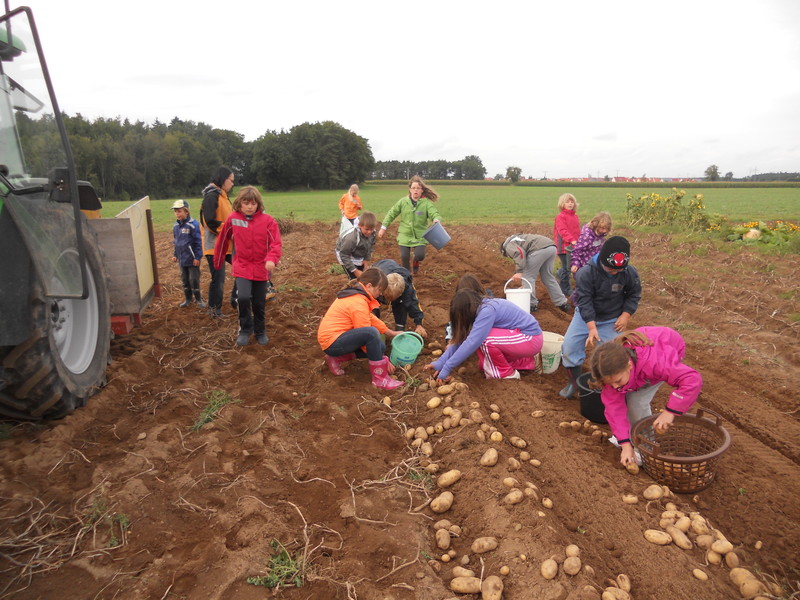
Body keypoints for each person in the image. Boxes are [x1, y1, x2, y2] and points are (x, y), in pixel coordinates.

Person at [588, 327, 702, 466]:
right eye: (610, 384)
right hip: (643, 356)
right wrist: (625, 444)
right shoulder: (610, 374)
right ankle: (628, 437)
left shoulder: (656, 363)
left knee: (636, 402)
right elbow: (614, 410)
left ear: (629, 366)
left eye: (617, 381)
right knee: (623, 397)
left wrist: (669, 412)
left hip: (671, 345)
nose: (615, 386)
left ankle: (645, 448)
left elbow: (691, 380)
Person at [559, 236, 642, 399]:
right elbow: (584, 301)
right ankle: (573, 383)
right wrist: (591, 327)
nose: (614, 272)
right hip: (584, 317)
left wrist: (625, 315)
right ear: (602, 260)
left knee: (613, 356)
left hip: (612, 319)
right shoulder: (586, 273)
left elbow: (634, 295)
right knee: (569, 348)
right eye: (610, 269)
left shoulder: (629, 273)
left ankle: (612, 389)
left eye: (618, 270)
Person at [425, 288, 544, 381]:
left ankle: (507, 374)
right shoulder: (481, 308)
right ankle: (528, 361)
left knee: (484, 340)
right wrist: (440, 363)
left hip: (530, 338)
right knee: (485, 364)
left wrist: (447, 367)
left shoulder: (487, 311)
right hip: (519, 339)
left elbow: (472, 342)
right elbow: (463, 338)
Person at [213, 186, 282, 347]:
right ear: (240, 203)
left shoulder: (268, 221)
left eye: (253, 203)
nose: (250, 206)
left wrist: (271, 259)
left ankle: (260, 331)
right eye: (246, 203)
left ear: (258, 204)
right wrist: (218, 261)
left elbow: (276, 243)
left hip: (261, 268)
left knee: (259, 302)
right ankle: (245, 329)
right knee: (243, 298)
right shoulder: (233, 219)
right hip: (242, 265)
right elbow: (222, 240)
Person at [317, 268, 404, 390]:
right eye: (379, 290)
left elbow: (370, 317)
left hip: (335, 339)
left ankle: (335, 358)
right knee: (372, 335)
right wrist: (381, 360)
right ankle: (380, 379)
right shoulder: (358, 302)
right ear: (369, 286)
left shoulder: (358, 296)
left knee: (380, 346)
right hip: (332, 342)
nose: (380, 294)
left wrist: (390, 333)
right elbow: (367, 333)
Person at [378, 175, 442, 275]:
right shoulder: (403, 202)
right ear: (410, 189)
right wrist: (383, 227)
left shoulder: (426, 203)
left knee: (420, 255)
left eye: (418, 188)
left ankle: (416, 261)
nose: (416, 190)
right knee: (404, 257)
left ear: (422, 190)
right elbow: (391, 214)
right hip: (405, 235)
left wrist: (436, 219)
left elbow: (434, 213)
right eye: (413, 188)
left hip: (420, 235)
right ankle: (407, 275)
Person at [500, 234, 570, 313]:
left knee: (528, 277)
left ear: (503, 251)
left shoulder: (508, 246)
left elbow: (520, 253)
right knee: (548, 277)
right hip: (551, 247)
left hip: (539, 250)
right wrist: (525, 286)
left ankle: (531, 305)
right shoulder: (517, 239)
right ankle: (562, 303)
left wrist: (519, 272)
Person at [201, 166, 236, 317]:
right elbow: (209, 221)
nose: (232, 184)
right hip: (215, 247)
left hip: (227, 245)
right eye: (231, 180)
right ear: (223, 179)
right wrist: (229, 232)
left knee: (243, 268)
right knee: (219, 279)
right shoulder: (211, 196)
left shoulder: (224, 197)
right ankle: (214, 310)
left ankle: (236, 298)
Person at [372, 258, 427, 337]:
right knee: (373, 308)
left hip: (397, 292)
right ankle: (374, 330)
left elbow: (413, 303)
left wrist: (419, 324)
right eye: (387, 296)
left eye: (391, 298)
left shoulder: (407, 288)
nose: (389, 300)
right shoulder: (375, 281)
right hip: (381, 270)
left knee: (401, 306)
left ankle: (399, 332)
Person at [171, 200, 206, 308]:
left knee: (194, 280)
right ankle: (188, 299)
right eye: (175, 211)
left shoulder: (193, 225)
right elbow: (176, 242)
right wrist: (175, 254)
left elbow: (198, 242)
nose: (177, 214)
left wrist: (197, 257)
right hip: (182, 259)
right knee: (184, 280)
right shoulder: (175, 226)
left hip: (192, 259)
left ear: (186, 211)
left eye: (179, 211)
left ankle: (199, 299)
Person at [335, 211, 378, 280]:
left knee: (362, 274)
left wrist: (365, 261)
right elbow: (344, 255)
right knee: (355, 278)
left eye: (371, 229)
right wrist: (355, 270)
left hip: (358, 252)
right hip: (345, 254)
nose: (369, 232)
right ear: (359, 225)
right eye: (367, 229)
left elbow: (370, 247)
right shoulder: (351, 238)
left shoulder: (373, 234)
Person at [553, 193, 580, 296]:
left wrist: (579, 242)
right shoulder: (560, 217)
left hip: (573, 246)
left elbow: (577, 231)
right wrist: (572, 240)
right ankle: (565, 289)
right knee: (567, 268)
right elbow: (563, 231)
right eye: (567, 202)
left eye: (572, 202)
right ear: (562, 204)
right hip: (563, 247)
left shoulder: (575, 217)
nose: (570, 204)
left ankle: (560, 274)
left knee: (570, 267)